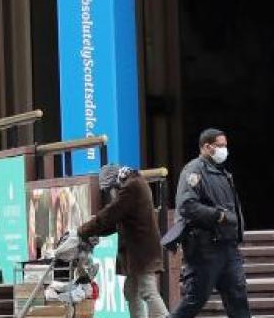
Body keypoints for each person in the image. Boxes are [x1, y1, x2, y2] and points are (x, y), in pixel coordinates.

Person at [168, 129, 250, 318]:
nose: (224, 150)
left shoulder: (222, 172)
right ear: (206, 147)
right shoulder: (194, 170)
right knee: (194, 300)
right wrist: (218, 216)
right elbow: (187, 206)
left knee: (238, 299)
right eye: (220, 146)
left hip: (228, 247)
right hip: (205, 249)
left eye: (225, 146)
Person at [79, 165, 168, 318]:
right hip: (138, 251)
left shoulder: (131, 188)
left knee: (147, 290)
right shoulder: (134, 183)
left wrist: (82, 231)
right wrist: (94, 232)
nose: (110, 194)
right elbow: (116, 222)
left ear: (115, 182)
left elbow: (111, 214)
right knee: (131, 291)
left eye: (109, 189)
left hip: (142, 251)